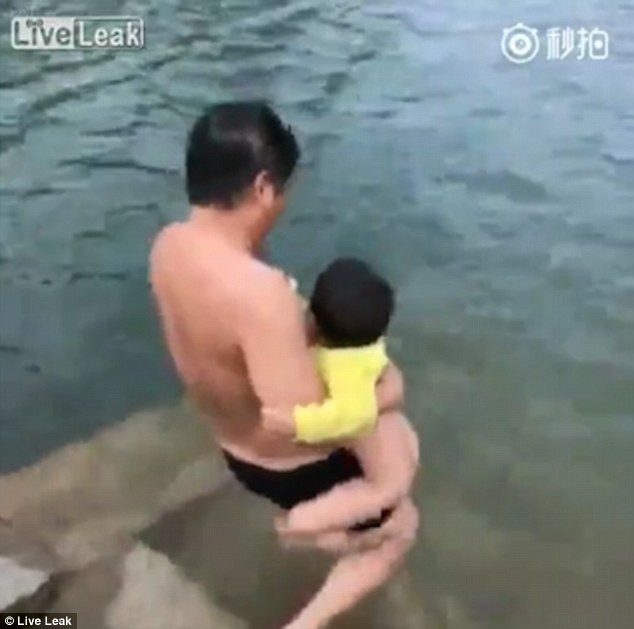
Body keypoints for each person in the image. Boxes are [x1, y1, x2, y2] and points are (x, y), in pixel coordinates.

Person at [149, 101, 419, 629]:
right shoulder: (260, 294)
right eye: (285, 189)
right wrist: (389, 392)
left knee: (387, 457)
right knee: (403, 524)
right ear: (263, 188)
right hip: (282, 469)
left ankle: (329, 531)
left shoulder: (167, 246)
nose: (285, 204)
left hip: (230, 442)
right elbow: (304, 425)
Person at [262, 257, 419, 553]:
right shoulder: (359, 346)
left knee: (379, 490)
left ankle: (303, 524)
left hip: (383, 463)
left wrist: (298, 423)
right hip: (389, 457)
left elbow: (349, 417)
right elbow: (356, 414)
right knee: (386, 492)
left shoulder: (342, 365)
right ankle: (311, 525)